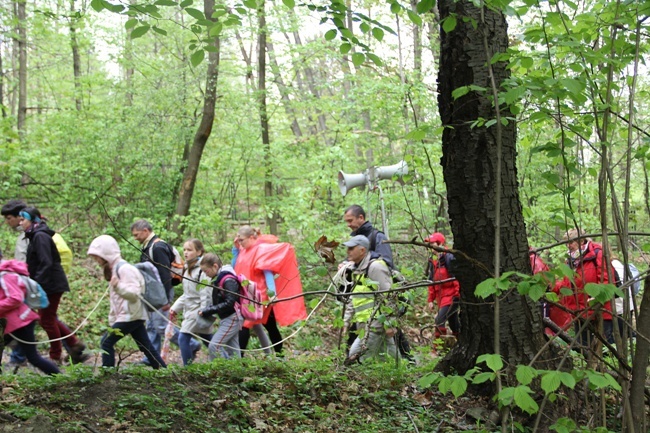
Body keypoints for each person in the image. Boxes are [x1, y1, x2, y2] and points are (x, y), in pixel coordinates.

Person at [20, 207, 88, 365]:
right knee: (47, 318)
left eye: (23, 219)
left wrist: (36, 284)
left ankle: (55, 356)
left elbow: (46, 262)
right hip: (48, 283)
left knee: (47, 320)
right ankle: (74, 344)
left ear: (31, 220)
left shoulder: (40, 236)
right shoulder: (36, 235)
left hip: (51, 284)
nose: (21, 222)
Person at [87, 235, 166, 369]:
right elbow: (117, 300)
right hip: (131, 315)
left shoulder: (125, 269)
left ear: (106, 254)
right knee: (145, 345)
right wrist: (114, 317)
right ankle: (163, 370)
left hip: (130, 315)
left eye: (97, 256)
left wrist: (118, 286)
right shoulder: (114, 268)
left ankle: (108, 374)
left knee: (106, 342)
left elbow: (134, 294)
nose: (96, 259)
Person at [130, 219, 200, 362]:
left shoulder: (157, 248)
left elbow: (164, 274)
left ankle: (191, 344)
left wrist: (164, 298)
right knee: (151, 326)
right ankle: (152, 356)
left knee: (161, 325)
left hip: (160, 292)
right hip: (152, 293)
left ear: (145, 231)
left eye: (136, 235)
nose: (135, 238)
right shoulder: (148, 246)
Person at [233, 225, 307, 356]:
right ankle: (279, 355)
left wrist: (272, 294)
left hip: (258, 295)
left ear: (251, 238)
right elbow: (236, 265)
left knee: (245, 325)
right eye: (238, 240)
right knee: (270, 325)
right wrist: (236, 248)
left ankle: (239, 360)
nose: (240, 243)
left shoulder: (261, 250)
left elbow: (268, 272)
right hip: (246, 294)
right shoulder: (244, 250)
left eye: (241, 240)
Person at [0, 246, 60, 375]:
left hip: (22, 322)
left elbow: (15, 298)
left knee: (33, 357)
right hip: (12, 323)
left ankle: (61, 379)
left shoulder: (4, 275)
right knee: (33, 357)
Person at [553, 228, 615, 348]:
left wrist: (598, 299)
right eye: (566, 243)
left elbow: (608, 282)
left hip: (598, 312)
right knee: (584, 349)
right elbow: (567, 285)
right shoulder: (571, 260)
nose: (568, 246)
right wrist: (551, 286)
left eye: (571, 242)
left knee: (602, 349)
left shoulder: (597, 254)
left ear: (581, 241)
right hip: (578, 313)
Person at [342, 235, 399, 362]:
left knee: (356, 356)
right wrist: (346, 321)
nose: (348, 251)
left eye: (351, 248)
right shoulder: (357, 270)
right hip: (364, 325)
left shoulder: (375, 267)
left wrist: (390, 323)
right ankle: (405, 374)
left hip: (376, 324)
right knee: (388, 357)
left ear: (362, 250)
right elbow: (354, 298)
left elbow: (388, 295)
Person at [169, 239, 213, 365]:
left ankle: (188, 368)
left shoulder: (202, 270)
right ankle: (226, 361)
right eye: (184, 250)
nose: (186, 253)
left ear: (199, 252)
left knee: (183, 337)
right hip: (190, 309)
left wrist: (204, 310)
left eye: (189, 250)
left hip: (198, 310)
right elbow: (187, 294)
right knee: (208, 339)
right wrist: (174, 308)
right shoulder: (187, 268)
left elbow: (205, 292)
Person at [198, 253, 244, 360]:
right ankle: (236, 374)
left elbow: (230, 302)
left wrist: (208, 311)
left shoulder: (228, 280)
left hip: (232, 317)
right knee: (233, 349)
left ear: (215, 266)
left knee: (214, 345)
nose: (206, 274)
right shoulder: (218, 279)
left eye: (206, 271)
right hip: (227, 318)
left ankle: (221, 370)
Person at [424, 233, 460, 342]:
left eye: (432, 244)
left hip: (451, 296)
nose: (430, 247)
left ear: (440, 244)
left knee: (439, 320)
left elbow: (456, 277)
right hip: (441, 297)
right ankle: (459, 340)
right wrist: (430, 299)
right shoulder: (432, 261)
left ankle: (437, 348)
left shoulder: (449, 257)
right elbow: (431, 281)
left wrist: (457, 295)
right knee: (453, 320)